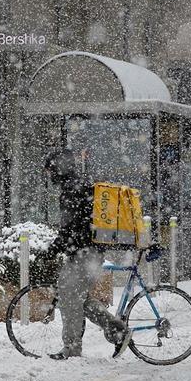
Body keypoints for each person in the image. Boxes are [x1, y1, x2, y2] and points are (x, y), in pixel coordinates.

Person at [44, 149, 132, 360]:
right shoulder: (80, 184)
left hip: (84, 254)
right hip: (90, 253)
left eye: (50, 170)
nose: (49, 176)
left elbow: (70, 229)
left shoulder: (72, 190)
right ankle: (117, 329)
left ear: (59, 168)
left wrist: (53, 249)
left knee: (69, 297)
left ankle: (72, 349)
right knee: (79, 299)